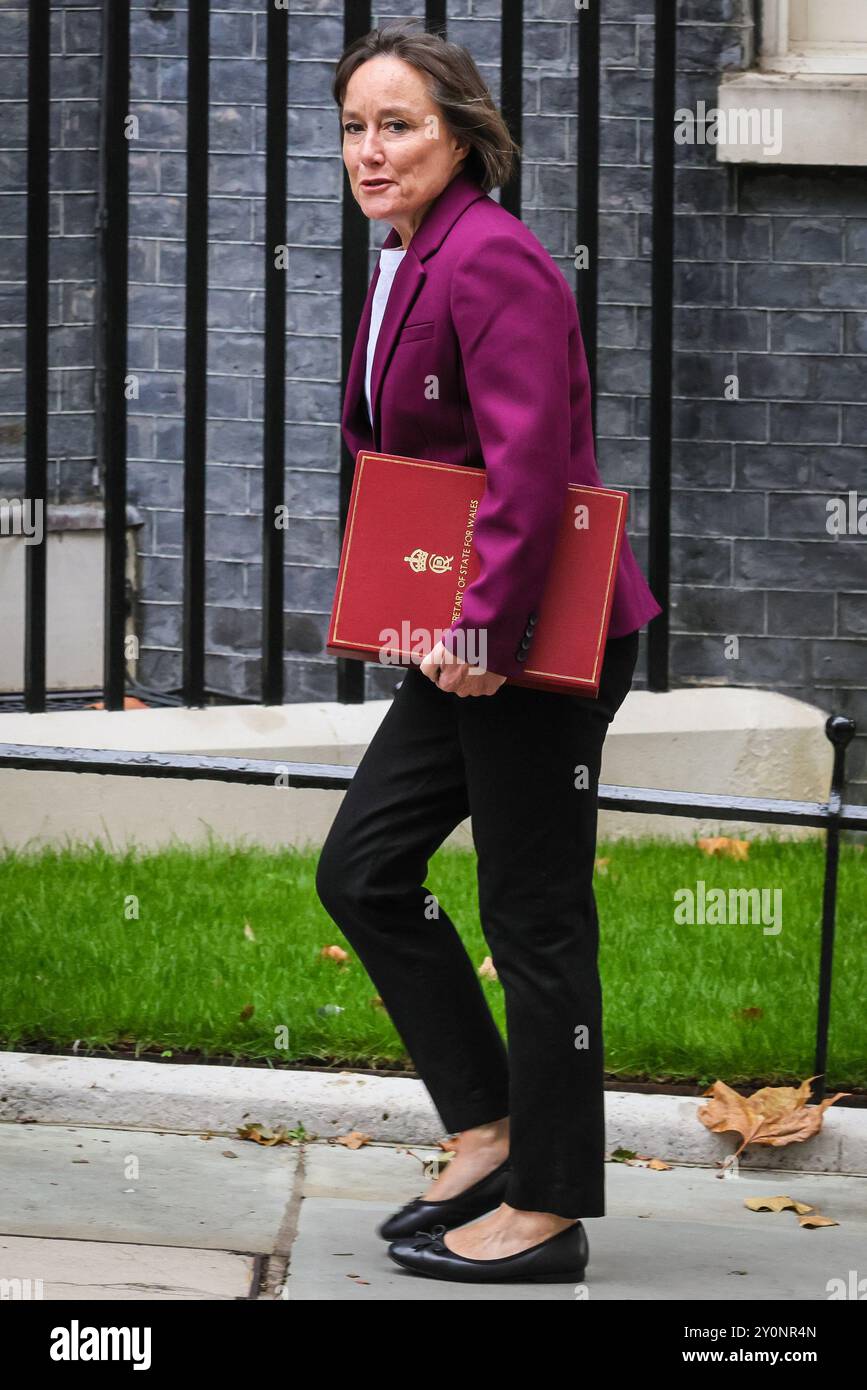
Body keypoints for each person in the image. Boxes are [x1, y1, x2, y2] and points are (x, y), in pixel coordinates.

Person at [315, 20, 662, 1285]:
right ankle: (488, 1128)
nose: (371, 149)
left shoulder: (494, 260)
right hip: (460, 630)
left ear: (461, 132)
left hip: (533, 644)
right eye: (355, 126)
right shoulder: (412, 255)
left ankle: (549, 1211)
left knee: (536, 920)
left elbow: (532, 468)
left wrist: (484, 629)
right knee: (361, 870)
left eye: (397, 123)